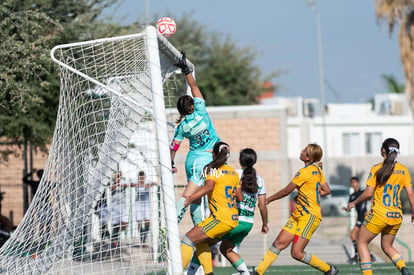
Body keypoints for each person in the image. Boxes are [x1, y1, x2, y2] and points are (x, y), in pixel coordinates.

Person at [252, 143, 338, 275]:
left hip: (309, 217)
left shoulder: (303, 172)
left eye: (304, 151)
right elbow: (326, 190)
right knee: (279, 243)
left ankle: (329, 270)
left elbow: (286, 191)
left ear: (308, 157)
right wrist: (306, 194)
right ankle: (258, 272)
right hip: (298, 216)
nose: (301, 151)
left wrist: (269, 199)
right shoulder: (317, 170)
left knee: (297, 253)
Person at [186, 148, 269, 275]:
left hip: (233, 220)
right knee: (226, 249)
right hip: (248, 223)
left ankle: (191, 272)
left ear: (240, 160)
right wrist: (264, 224)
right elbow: (262, 205)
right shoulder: (260, 179)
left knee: (202, 243)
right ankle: (245, 273)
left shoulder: (233, 173)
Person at [346, 138, 414, 275]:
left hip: (379, 214)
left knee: (361, 242)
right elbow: (411, 194)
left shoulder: (377, 169)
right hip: (396, 216)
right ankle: (404, 269)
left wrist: (354, 202)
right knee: (387, 247)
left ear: (383, 150)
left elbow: (368, 193)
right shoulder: (403, 170)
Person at [170, 51, 221, 226]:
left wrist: (170, 163)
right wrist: (186, 70)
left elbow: (173, 148)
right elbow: (194, 87)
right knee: (188, 197)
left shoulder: (181, 127)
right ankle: (169, 228)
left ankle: (200, 233)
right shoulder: (201, 111)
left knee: (197, 199)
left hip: (192, 160)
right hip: (204, 162)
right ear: (192, 105)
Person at [180, 141, 243, 275]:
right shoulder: (233, 172)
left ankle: (176, 271)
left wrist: (190, 198)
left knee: (187, 239)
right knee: (200, 242)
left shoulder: (212, 169)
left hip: (220, 219)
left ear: (213, 154)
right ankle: (209, 273)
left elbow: (208, 187)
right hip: (232, 221)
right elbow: (240, 197)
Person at [344, 176, 375, 264]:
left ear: (358, 183)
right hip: (359, 217)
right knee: (356, 237)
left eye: (354, 182)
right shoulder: (352, 196)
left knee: (354, 235)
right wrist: (346, 209)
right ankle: (367, 255)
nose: (353, 184)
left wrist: (369, 211)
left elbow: (372, 201)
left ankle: (358, 256)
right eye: (352, 183)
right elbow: (350, 207)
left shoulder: (363, 193)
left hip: (364, 218)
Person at [130, 171, 156, 248]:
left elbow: (155, 183)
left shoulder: (148, 181)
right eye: (140, 177)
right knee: (139, 223)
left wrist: (149, 185)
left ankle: (144, 238)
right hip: (138, 205)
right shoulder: (136, 181)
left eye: (143, 177)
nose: (141, 179)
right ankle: (142, 240)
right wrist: (138, 184)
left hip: (146, 205)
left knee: (147, 222)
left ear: (144, 177)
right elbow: (131, 184)